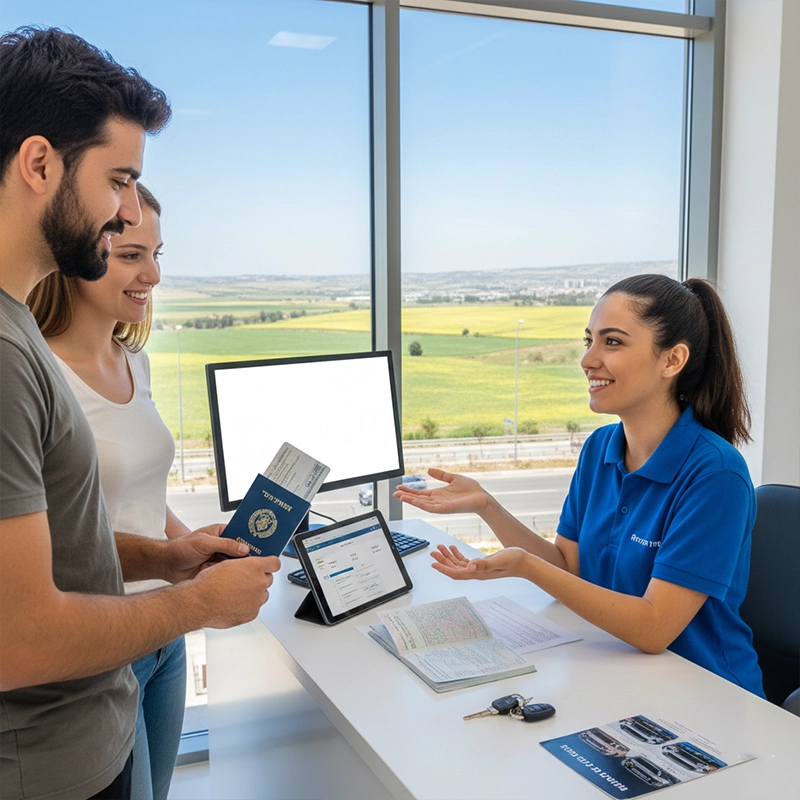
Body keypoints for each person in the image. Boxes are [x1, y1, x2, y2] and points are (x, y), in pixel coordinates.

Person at [0, 27, 280, 800]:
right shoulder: (8, 350)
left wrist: (165, 559)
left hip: (91, 732)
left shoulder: (16, 325)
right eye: (119, 179)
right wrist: (195, 605)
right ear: (38, 164)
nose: (126, 210)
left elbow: (58, 552)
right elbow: (17, 639)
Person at [396, 274, 764, 698]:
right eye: (588, 340)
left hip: (709, 694)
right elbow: (569, 565)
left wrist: (525, 567)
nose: (588, 359)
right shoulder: (600, 448)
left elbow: (654, 627)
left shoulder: (715, 475)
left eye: (612, 342)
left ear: (672, 360)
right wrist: (487, 507)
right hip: (616, 673)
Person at [28, 184, 186, 800]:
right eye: (131, 256)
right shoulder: (37, 375)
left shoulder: (132, 360)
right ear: (78, 254)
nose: (151, 274)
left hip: (163, 639)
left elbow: (142, 492)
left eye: (157, 254)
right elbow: (52, 542)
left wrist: (189, 543)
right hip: (102, 646)